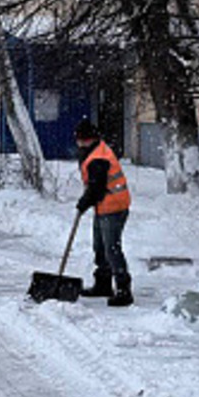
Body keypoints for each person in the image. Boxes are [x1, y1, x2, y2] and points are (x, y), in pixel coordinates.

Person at [74, 119, 133, 307]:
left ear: (86, 140)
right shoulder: (95, 150)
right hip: (104, 205)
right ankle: (103, 284)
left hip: (113, 207)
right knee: (100, 246)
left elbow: (96, 189)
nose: (77, 143)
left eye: (79, 140)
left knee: (112, 249)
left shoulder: (98, 159)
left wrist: (83, 204)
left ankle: (124, 291)